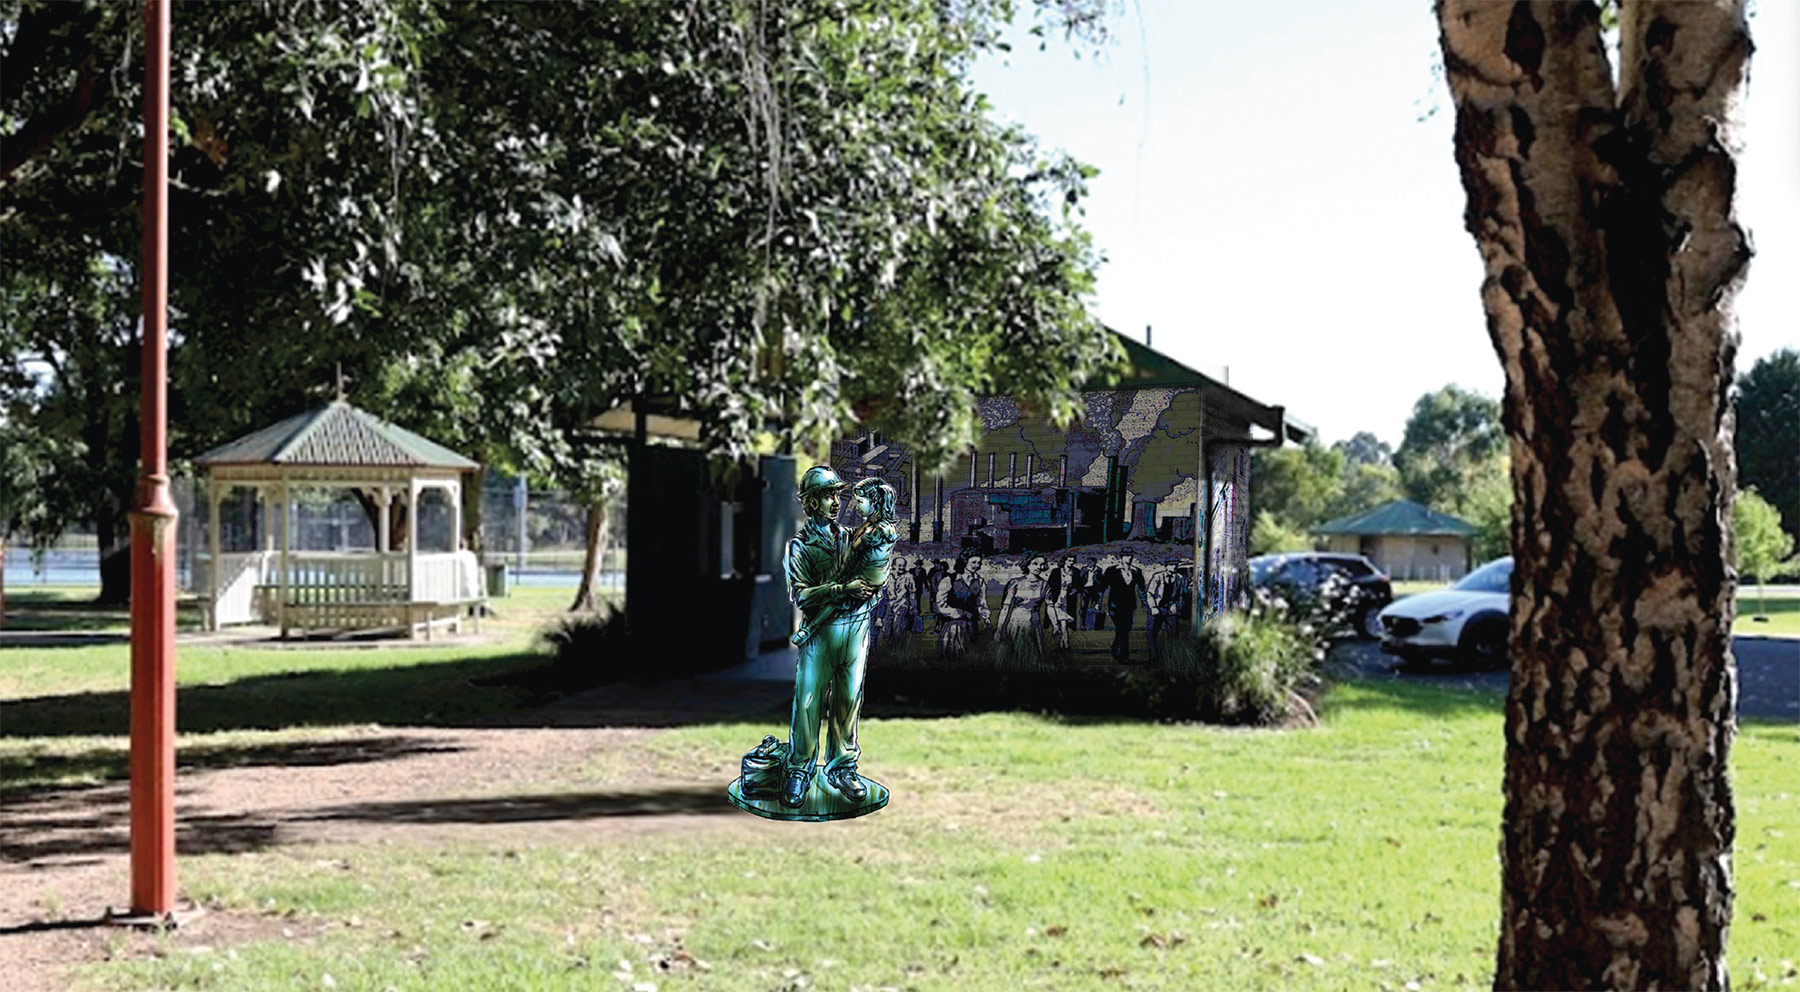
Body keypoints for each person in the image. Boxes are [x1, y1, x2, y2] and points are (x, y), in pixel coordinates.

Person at [781, 469, 892, 809]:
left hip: (856, 628)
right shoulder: (798, 547)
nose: (836, 502)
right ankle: (799, 769)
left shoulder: (853, 537)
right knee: (809, 702)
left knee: (848, 700)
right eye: (828, 496)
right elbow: (802, 596)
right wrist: (842, 589)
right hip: (820, 633)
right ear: (811, 502)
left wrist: (871, 588)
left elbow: (873, 575)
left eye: (838, 495)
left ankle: (842, 767)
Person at [934, 554, 990, 660]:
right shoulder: (949, 580)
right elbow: (940, 604)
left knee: (969, 657)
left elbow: (982, 602)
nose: (976, 566)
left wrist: (985, 616)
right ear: (965, 562)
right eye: (973, 562)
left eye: (979, 563)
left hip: (971, 624)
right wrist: (956, 613)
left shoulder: (980, 581)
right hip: (953, 625)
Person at [995, 554, 1052, 656]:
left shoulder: (1045, 585)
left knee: (1034, 653)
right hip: (1016, 622)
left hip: (1034, 623)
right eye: (1035, 564)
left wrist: (1056, 626)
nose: (1039, 567)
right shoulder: (1015, 583)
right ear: (1027, 564)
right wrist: (999, 629)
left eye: (1042, 564)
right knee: (1014, 652)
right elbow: (1005, 607)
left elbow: (1050, 606)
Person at [1098, 548, 1147, 662]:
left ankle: (1116, 647)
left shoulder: (1136, 571)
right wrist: (1098, 602)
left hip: (1129, 605)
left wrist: (1144, 602)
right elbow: (1102, 587)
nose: (1129, 558)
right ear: (1121, 557)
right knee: (1122, 629)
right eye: (1126, 555)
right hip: (1115, 604)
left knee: (1126, 629)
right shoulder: (1112, 570)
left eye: (1130, 555)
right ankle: (1123, 656)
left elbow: (1141, 588)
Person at [1045, 554, 1084, 649]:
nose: (1071, 562)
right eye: (1069, 560)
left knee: (1064, 623)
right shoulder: (1056, 571)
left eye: (1072, 561)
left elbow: (1080, 585)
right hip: (1056, 598)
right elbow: (1049, 585)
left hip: (1068, 599)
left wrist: (1076, 590)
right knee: (1058, 623)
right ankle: (1063, 644)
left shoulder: (1076, 572)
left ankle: (1064, 644)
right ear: (1064, 561)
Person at [1144, 562, 1180, 660]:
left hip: (1170, 609)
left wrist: (1176, 605)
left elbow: (1181, 595)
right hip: (1157, 608)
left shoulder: (1179, 578)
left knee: (1173, 634)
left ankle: (1170, 657)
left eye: (1176, 564)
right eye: (1172, 564)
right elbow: (1150, 593)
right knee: (1152, 633)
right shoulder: (1158, 577)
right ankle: (1153, 656)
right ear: (1166, 566)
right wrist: (1153, 607)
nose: (1175, 567)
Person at [885, 556, 919, 646]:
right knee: (887, 630)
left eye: (903, 566)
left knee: (898, 628)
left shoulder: (908, 577)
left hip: (902, 606)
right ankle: (891, 648)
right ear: (894, 566)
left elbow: (912, 594)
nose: (901, 568)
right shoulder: (888, 576)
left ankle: (899, 649)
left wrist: (914, 607)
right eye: (899, 565)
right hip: (889, 606)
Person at [1081, 557, 1104, 629]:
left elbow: (1099, 581)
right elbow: (1080, 579)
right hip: (1085, 589)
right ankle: (1082, 624)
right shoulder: (1084, 569)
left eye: (1090, 562)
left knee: (1094, 607)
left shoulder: (1099, 570)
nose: (1089, 563)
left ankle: (1092, 624)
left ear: (1095, 562)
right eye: (1088, 562)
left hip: (1094, 589)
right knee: (1083, 607)